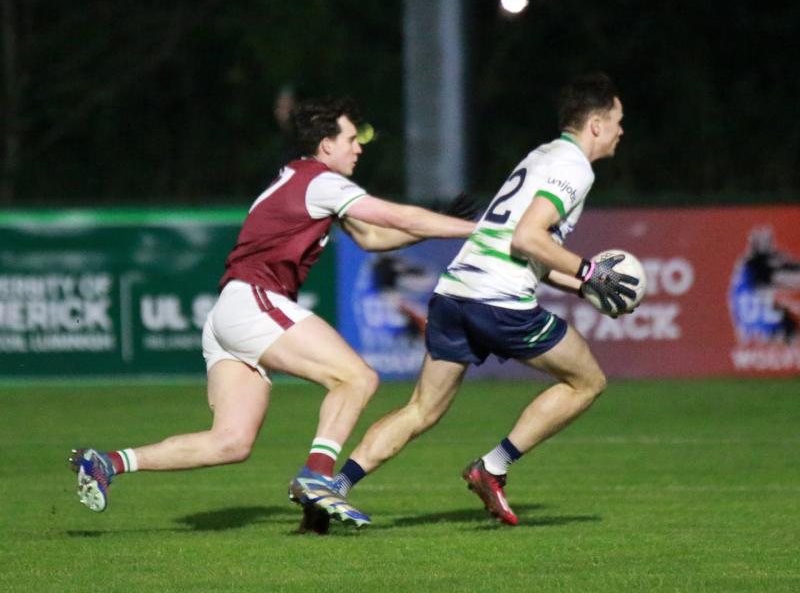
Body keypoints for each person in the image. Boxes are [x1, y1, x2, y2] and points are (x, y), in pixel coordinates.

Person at [69, 96, 476, 530]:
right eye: (351, 139)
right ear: (325, 145)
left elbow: (375, 237)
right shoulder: (322, 182)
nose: (358, 148)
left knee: (230, 442)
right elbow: (395, 215)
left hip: (230, 312)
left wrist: (438, 225)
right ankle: (318, 476)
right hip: (253, 300)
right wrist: (479, 229)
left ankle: (107, 463)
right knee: (357, 378)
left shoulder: (301, 178)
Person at [328, 72, 639, 527]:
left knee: (421, 410)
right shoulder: (575, 167)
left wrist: (583, 286)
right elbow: (529, 237)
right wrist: (590, 271)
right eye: (617, 120)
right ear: (595, 124)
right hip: (498, 299)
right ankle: (492, 467)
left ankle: (335, 486)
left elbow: (523, 246)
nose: (620, 130)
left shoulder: (542, 156)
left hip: (456, 293)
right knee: (587, 381)